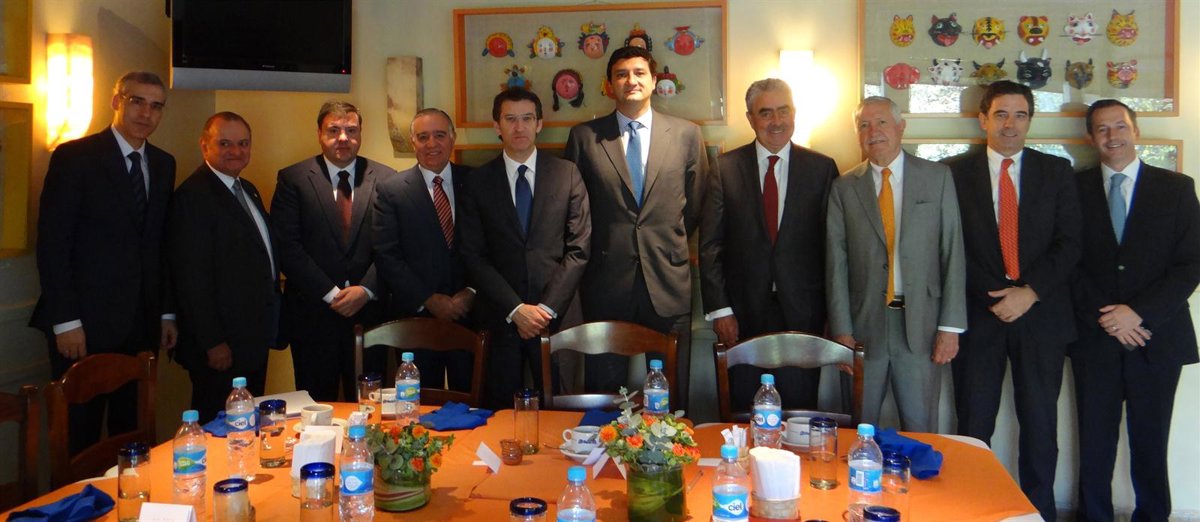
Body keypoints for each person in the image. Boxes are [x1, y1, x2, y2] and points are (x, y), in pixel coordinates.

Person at [943, 80, 1081, 520]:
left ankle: (1037, 512)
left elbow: (1071, 242)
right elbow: (949, 246)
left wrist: (1029, 292)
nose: (1010, 124)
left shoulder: (1056, 171)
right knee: (973, 424)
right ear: (983, 119)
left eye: (1020, 115)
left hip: (1041, 317)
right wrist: (995, 295)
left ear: (1029, 121)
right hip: (978, 315)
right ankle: (970, 510)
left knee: (1040, 425)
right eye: (1001, 114)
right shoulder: (952, 173)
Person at [30, 71, 177, 454]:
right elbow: (53, 244)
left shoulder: (163, 163)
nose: (146, 113)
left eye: (156, 106)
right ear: (116, 101)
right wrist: (66, 321)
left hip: (141, 324)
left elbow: (159, 245)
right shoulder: (75, 157)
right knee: (80, 439)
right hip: (84, 326)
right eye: (136, 101)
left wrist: (165, 313)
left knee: (134, 436)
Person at [1070, 99, 1200, 521]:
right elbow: (1067, 262)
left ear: (1136, 131)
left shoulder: (1176, 188)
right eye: (1102, 129)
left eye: (1120, 126)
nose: (1113, 136)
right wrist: (1110, 317)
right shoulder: (1074, 189)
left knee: (1150, 442)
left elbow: (1191, 264)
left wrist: (1137, 313)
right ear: (1091, 138)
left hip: (1157, 339)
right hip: (1094, 338)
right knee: (1094, 443)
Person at [564, 46, 708, 408]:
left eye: (640, 72)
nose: (631, 80)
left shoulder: (687, 134)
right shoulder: (584, 137)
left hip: (668, 282)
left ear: (654, 81)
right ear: (609, 85)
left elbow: (695, 206)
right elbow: (575, 210)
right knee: (604, 398)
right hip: (605, 282)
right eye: (622, 74)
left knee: (669, 399)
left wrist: (664, 241)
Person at [826, 96, 966, 432]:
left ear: (901, 127)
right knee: (858, 430)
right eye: (863, 125)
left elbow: (952, 251)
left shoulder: (937, 178)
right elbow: (836, 263)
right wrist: (842, 331)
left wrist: (950, 327)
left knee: (920, 430)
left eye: (881, 122)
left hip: (921, 326)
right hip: (862, 327)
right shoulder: (844, 187)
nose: (873, 131)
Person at [699, 78, 838, 411]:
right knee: (744, 410)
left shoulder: (822, 169)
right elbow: (711, 245)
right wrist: (721, 310)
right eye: (765, 113)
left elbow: (834, 250)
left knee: (800, 412)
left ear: (794, 113)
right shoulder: (725, 168)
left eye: (783, 110)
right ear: (751, 118)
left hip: (804, 314)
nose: (776, 121)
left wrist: (833, 315)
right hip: (742, 315)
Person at [459, 89, 591, 410]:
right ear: (497, 126)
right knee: (501, 414)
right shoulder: (477, 181)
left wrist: (545, 309)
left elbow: (579, 248)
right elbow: (473, 255)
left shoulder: (567, 174)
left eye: (527, 118)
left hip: (556, 318)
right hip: (500, 316)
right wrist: (516, 309)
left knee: (561, 413)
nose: (519, 127)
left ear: (539, 124)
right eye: (510, 119)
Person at [272, 101, 394, 401]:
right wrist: (332, 294)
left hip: (370, 316)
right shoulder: (293, 179)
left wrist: (365, 290)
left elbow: (392, 245)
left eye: (351, 130)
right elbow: (287, 247)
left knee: (371, 406)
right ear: (319, 133)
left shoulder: (386, 178)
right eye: (334, 130)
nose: (343, 138)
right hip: (313, 316)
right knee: (316, 407)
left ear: (360, 133)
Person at [170, 112, 279, 421]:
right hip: (220, 346)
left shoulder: (248, 189)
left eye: (243, 143)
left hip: (251, 338)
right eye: (225, 143)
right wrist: (213, 342)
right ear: (204, 146)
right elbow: (192, 277)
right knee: (219, 427)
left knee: (247, 424)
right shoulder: (193, 196)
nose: (236, 151)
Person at [373, 108, 475, 391]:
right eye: (423, 137)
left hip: (471, 314)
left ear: (452, 138)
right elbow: (387, 254)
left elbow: (491, 245)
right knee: (419, 405)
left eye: (439, 135)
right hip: (415, 318)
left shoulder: (477, 181)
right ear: (413, 142)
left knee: (473, 400)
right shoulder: (391, 190)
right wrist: (428, 298)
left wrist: (471, 292)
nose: (432, 144)